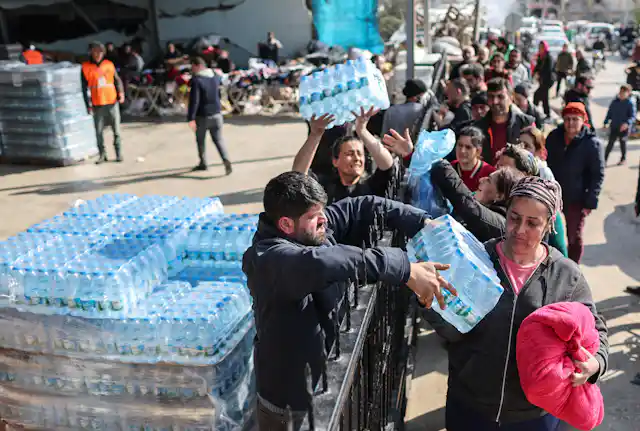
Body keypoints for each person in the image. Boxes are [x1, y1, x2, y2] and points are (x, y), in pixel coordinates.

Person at [244, 171, 456, 430]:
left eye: (321, 211)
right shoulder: (270, 259)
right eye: (314, 217)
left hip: (327, 378)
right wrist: (406, 269)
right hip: (291, 403)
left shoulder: (308, 227)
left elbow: (361, 206)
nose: (324, 219)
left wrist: (421, 221)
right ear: (286, 224)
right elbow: (324, 262)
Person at [442, 176, 608, 431]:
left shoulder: (566, 275)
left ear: (548, 226)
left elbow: (597, 330)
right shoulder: (476, 260)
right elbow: (448, 326)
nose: (519, 230)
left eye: (532, 223)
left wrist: (595, 364)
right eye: (514, 218)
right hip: (470, 406)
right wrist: (429, 301)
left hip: (534, 416)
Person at [294, 109, 395, 204]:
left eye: (360, 154)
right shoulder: (324, 188)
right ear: (335, 161)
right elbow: (299, 175)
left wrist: (362, 130)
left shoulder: (371, 186)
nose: (357, 159)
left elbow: (387, 165)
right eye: (349, 154)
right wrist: (315, 135)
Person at [546, 102, 605, 264]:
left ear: (583, 120)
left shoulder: (592, 144)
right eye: (567, 119)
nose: (571, 123)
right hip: (553, 196)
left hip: (576, 199)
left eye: (575, 119)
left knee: (574, 236)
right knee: (552, 234)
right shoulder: (554, 137)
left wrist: (590, 201)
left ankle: (572, 268)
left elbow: (597, 175)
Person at [81, 41, 125, 164]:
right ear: (91, 52)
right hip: (97, 103)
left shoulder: (109, 64)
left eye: (100, 52)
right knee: (99, 132)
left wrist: (121, 93)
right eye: (95, 51)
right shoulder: (85, 67)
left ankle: (118, 153)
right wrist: (87, 105)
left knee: (116, 130)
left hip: (111, 101)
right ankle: (102, 154)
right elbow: (83, 88)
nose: (98, 54)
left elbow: (117, 80)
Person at [187, 56, 232, 174]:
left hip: (203, 116)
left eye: (193, 66)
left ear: (198, 66)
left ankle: (203, 163)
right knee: (218, 139)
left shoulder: (197, 80)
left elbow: (194, 101)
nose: (192, 69)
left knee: (200, 140)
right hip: (217, 114)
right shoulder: (215, 77)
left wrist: (191, 118)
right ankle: (226, 159)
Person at [474, 78, 534, 165]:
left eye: (500, 97)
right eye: (491, 96)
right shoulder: (478, 127)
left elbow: (535, 155)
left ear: (511, 98)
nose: (495, 101)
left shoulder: (526, 124)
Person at [450, 126, 496, 192]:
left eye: (468, 147)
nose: (462, 150)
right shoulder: (449, 169)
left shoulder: (490, 174)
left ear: (478, 151)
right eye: (460, 145)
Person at [603, 84, 636, 166]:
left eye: (624, 93)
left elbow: (632, 116)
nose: (622, 94)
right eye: (621, 92)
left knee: (622, 143)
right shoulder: (615, 102)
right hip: (614, 126)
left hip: (624, 128)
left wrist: (627, 123)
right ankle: (604, 159)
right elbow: (609, 113)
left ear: (628, 93)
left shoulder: (630, 103)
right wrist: (606, 122)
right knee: (610, 143)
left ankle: (623, 158)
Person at [533, 41, 553, 119]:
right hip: (542, 80)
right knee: (544, 97)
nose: (540, 49)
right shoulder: (540, 56)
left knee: (537, 95)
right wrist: (534, 72)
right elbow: (538, 66)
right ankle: (545, 113)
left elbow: (549, 70)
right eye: (539, 47)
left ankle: (534, 112)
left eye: (542, 47)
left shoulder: (548, 57)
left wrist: (540, 74)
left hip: (547, 80)